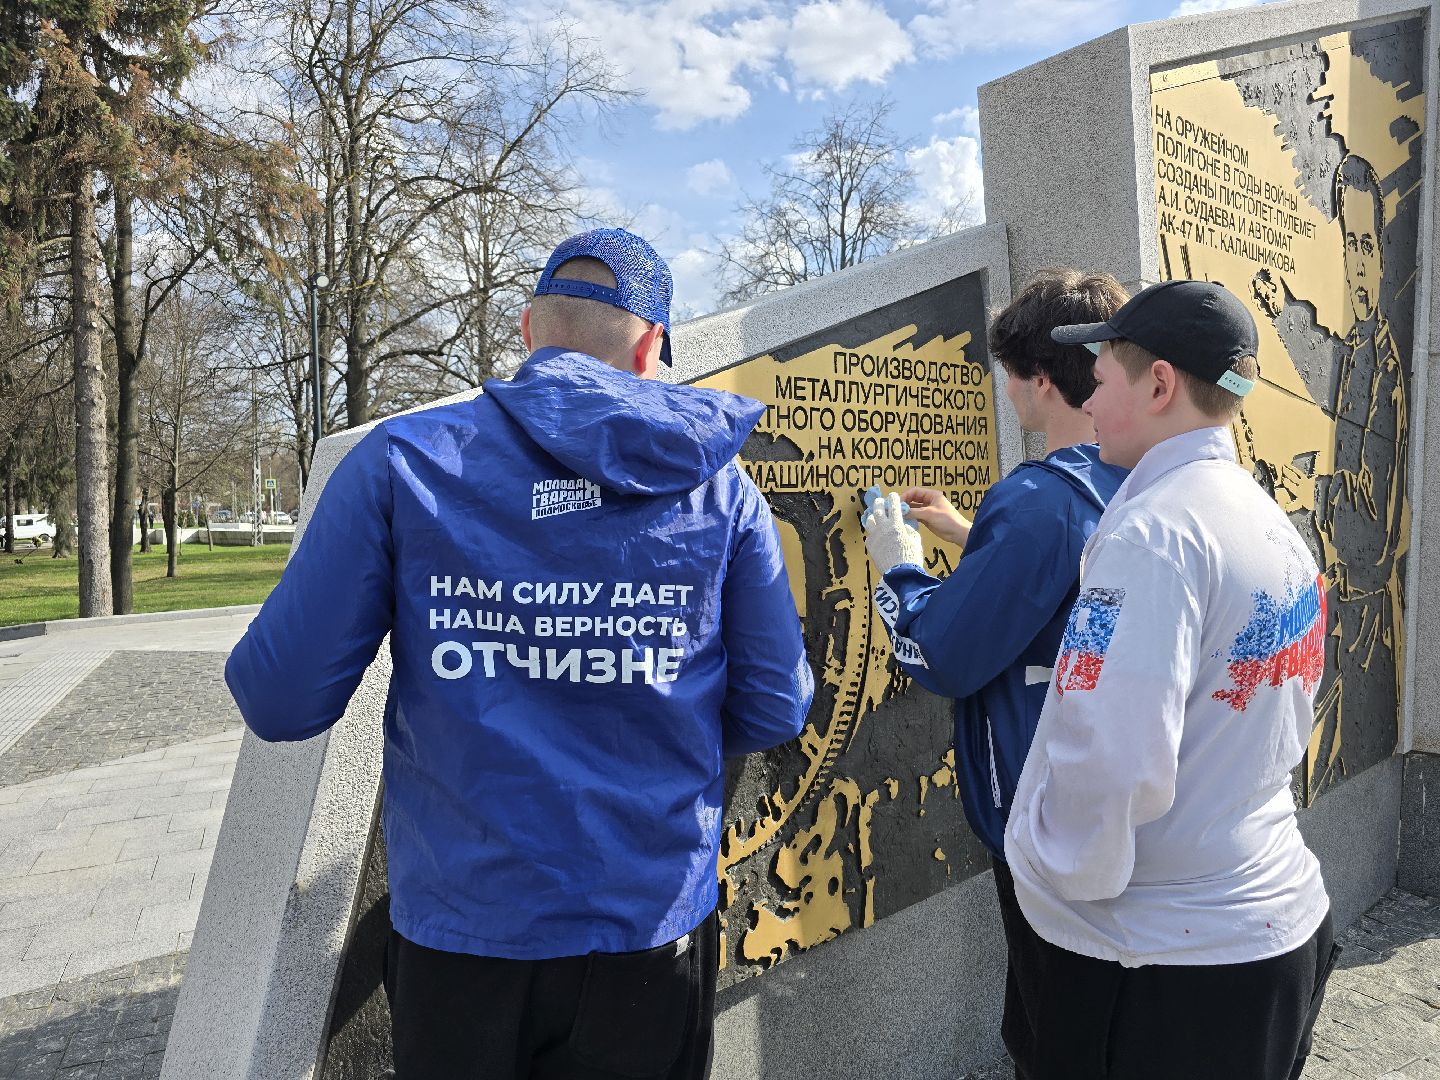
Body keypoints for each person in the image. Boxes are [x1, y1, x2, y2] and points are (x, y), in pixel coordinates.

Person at [224, 227, 814, 1080]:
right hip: (647, 930)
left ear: (530, 329)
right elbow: (775, 706)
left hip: (462, 936)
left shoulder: (402, 463)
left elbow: (279, 698)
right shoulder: (720, 492)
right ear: (650, 348)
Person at [1005, 279, 1339, 1079]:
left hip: (1161, 968)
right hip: (1270, 929)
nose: (1089, 403)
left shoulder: (1153, 536)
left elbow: (1111, 759)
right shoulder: (1269, 524)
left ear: (1159, 385)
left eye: (1101, 379)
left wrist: (1042, 869)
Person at [859, 269, 1129, 1079]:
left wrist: (899, 567)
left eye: (1009, 374)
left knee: (1053, 1040)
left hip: (1048, 819)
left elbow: (942, 653)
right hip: (1119, 809)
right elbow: (1071, 579)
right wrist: (971, 531)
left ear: (1040, 379)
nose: (1006, 392)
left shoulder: (1041, 499)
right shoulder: (1136, 476)